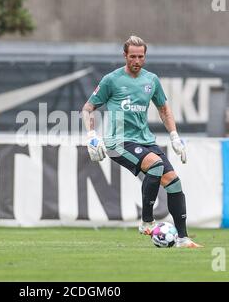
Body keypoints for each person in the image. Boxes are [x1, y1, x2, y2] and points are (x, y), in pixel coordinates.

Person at [82, 35, 202, 248]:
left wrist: (174, 136)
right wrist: (91, 136)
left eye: (141, 56)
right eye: (132, 56)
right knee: (155, 166)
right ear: (124, 56)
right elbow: (88, 108)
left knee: (174, 183)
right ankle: (147, 221)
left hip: (145, 140)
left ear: (145, 56)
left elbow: (164, 109)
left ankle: (183, 239)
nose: (136, 61)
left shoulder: (151, 80)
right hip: (118, 141)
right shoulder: (112, 79)